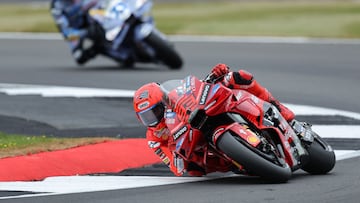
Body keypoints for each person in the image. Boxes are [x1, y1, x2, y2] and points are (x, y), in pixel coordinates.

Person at [133, 63, 297, 177]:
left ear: (164, 102)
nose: (153, 119)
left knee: (238, 77)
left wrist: (214, 77)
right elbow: (177, 167)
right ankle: (241, 159)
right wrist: (176, 150)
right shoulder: (154, 139)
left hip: (202, 114)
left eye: (156, 112)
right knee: (194, 170)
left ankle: (278, 107)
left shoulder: (176, 97)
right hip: (196, 150)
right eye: (147, 117)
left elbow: (193, 89)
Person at [50, 0, 99, 65]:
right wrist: (86, 32)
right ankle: (97, 49)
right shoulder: (56, 5)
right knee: (79, 57)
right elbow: (66, 32)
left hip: (92, 22)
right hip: (76, 30)